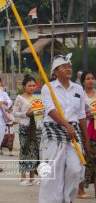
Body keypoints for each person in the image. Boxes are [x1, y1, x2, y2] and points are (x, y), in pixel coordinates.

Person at [39, 53, 90, 203]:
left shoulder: (78, 89)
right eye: (64, 66)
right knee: (53, 173)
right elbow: (50, 110)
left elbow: (81, 115)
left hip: (74, 133)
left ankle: (67, 199)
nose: (68, 68)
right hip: (53, 133)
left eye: (70, 66)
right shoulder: (47, 88)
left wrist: (86, 140)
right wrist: (66, 125)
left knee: (75, 169)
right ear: (55, 72)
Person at [12, 75, 41, 186]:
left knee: (34, 152)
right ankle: (22, 177)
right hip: (25, 128)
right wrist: (26, 114)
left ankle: (32, 178)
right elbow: (14, 113)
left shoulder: (38, 98)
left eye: (34, 85)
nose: (32, 87)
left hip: (36, 128)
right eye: (29, 86)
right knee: (25, 150)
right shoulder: (20, 98)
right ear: (24, 86)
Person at [77, 71, 96, 199]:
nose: (90, 80)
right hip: (86, 131)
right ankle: (80, 189)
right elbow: (78, 114)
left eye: (92, 78)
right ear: (83, 81)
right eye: (88, 79)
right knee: (85, 160)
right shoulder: (80, 96)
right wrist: (88, 115)